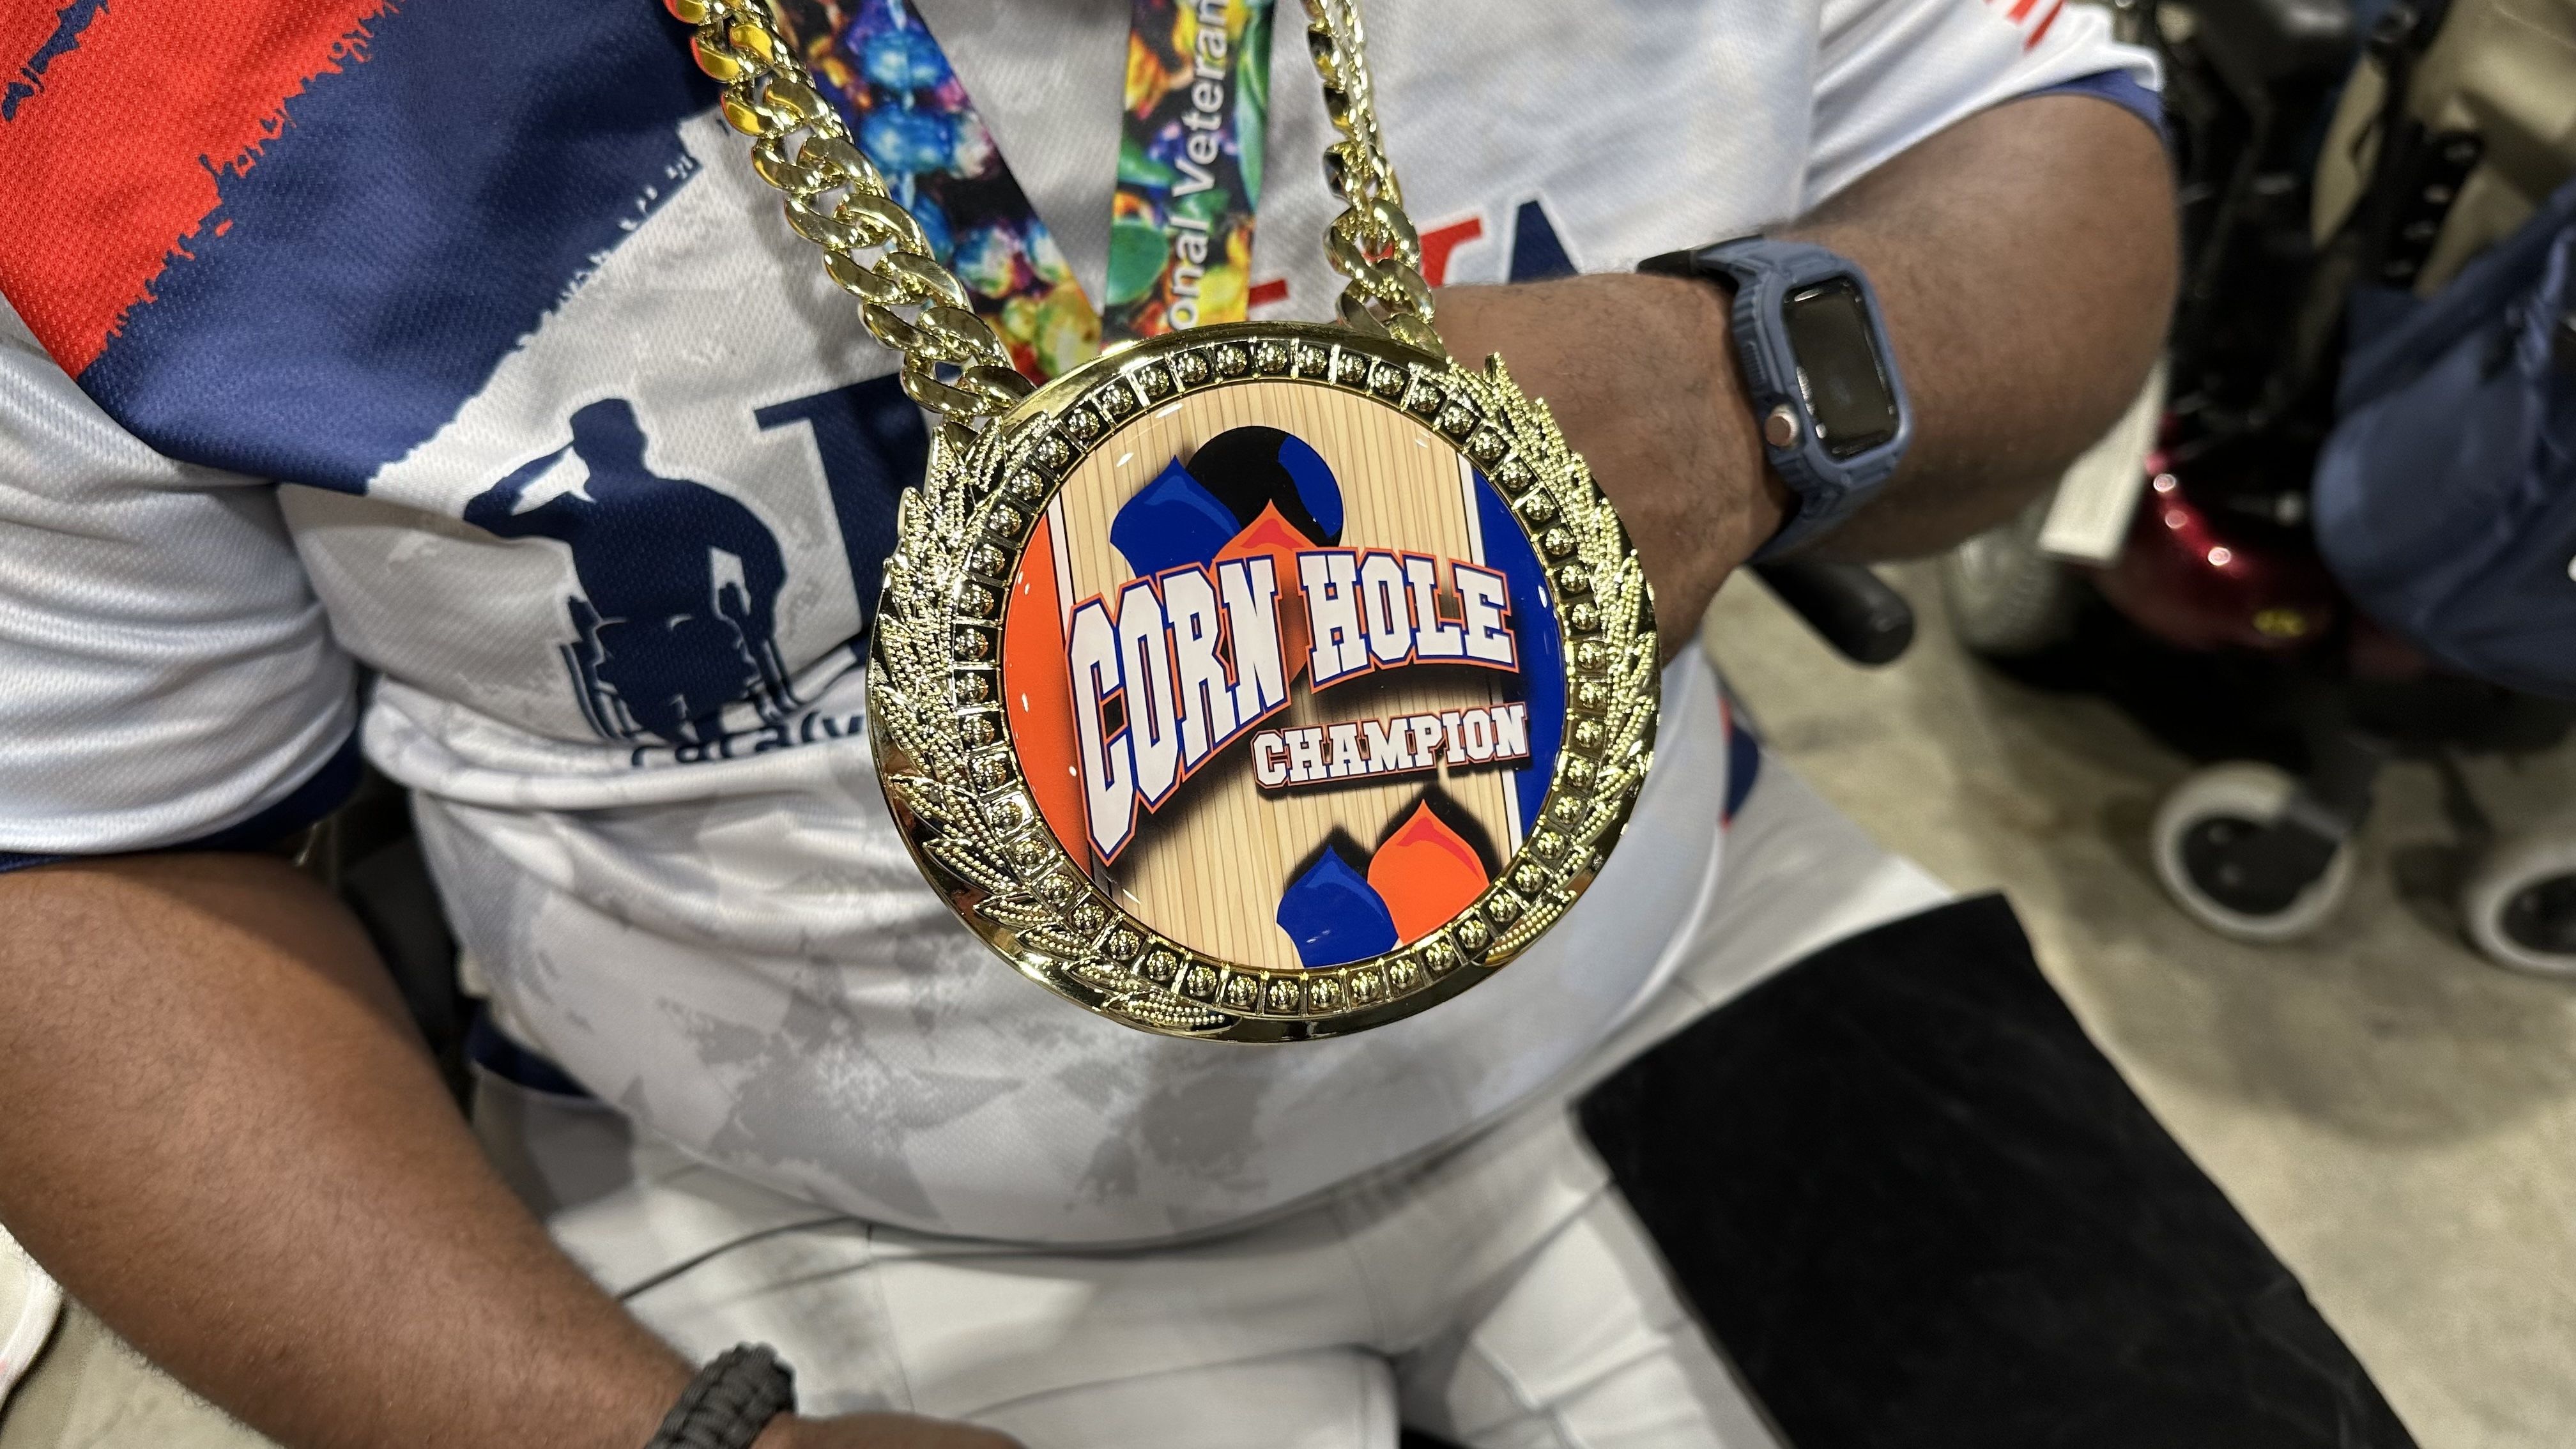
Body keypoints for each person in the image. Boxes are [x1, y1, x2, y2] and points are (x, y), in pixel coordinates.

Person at [0, 1, 2175, 1446]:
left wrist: (1759, 387)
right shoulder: (101, 81)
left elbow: (2051, 151)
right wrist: (648, 1439)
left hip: (1667, 933)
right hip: (794, 1172)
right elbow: (70, 858)